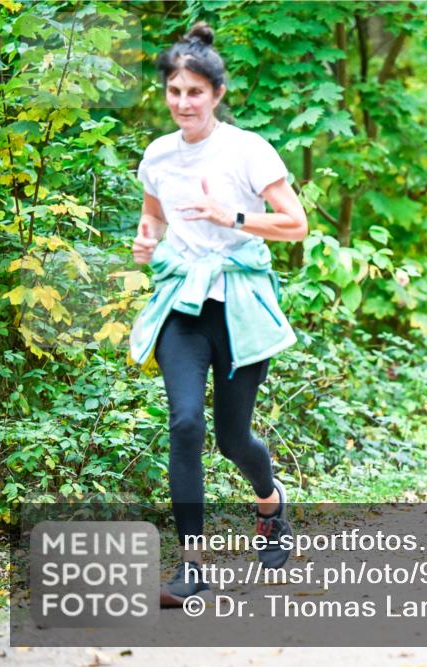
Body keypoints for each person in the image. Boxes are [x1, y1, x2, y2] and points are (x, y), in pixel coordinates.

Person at [128, 23, 308, 606]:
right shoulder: (157, 154)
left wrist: (229, 216)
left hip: (237, 304)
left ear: (218, 93)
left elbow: (295, 224)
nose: (183, 103)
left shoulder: (247, 150)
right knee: (184, 424)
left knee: (233, 439)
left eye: (195, 92)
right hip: (182, 304)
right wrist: (147, 240)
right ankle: (193, 566)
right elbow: (152, 215)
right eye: (174, 92)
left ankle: (270, 502)